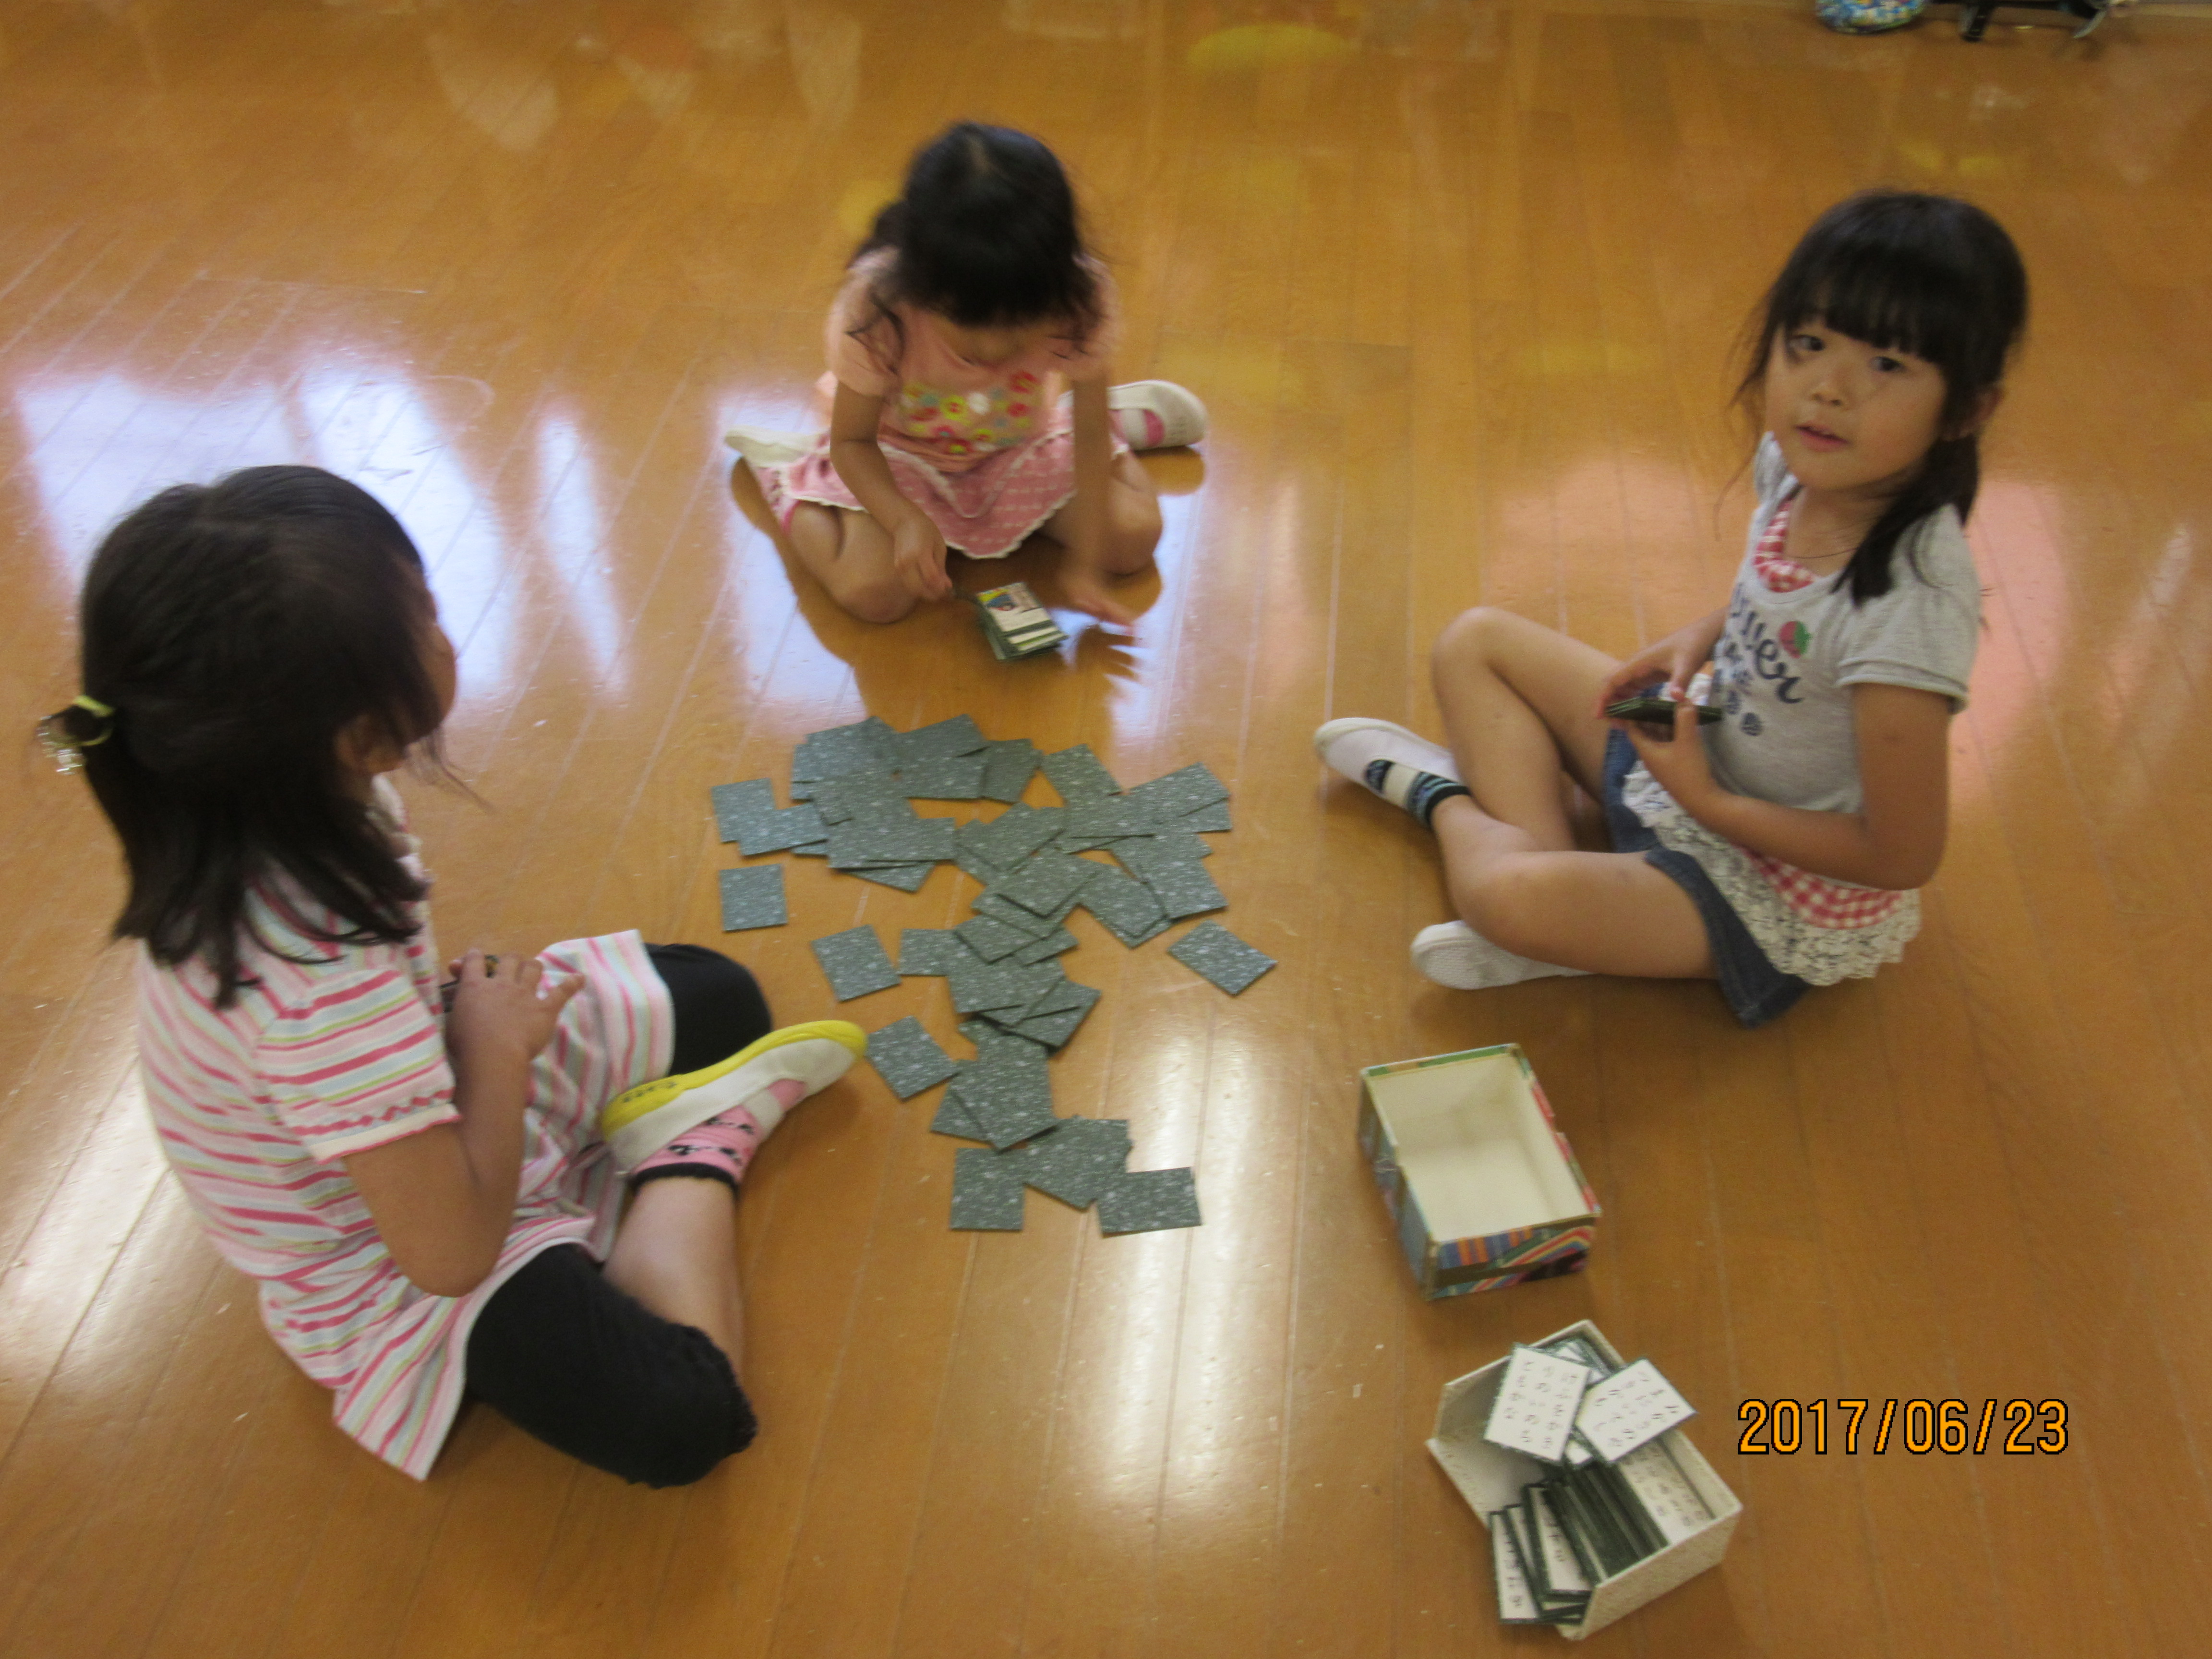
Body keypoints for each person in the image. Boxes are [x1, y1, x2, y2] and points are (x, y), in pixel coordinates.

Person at [38, 466, 866, 1485]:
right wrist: (493, 1048)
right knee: (685, 1417)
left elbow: (378, 1022)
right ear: (361, 735)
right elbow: (450, 1255)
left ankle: (628, 1136)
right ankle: (690, 1151)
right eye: (426, 616)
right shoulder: (315, 985)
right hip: (388, 1249)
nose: (446, 628)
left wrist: (468, 1034)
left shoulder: (261, 807)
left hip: (424, 1090)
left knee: (722, 998)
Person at [1315, 191, 2029, 1026]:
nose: (1828, 389)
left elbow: (1901, 855)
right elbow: (1785, 608)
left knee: (1507, 897)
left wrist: (1712, 806)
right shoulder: (1800, 463)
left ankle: (1445, 799)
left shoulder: (1910, 611)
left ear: (1967, 409)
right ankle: (1556, 908)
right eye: (1808, 343)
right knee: (1473, 643)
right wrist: (1695, 640)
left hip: (1772, 883)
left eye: (1887, 365)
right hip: (1696, 757)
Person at [727, 120, 1206, 627]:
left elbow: (1090, 434)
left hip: (1017, 443)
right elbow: (853, 443)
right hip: (900, 455)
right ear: (920, 287)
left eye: (1017, 334)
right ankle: (786, 479)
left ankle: (1104, 411)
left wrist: (1085, 565)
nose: (994, 355)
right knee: (872, 593)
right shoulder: (878, 309)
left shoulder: (1076, 296)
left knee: (1132, 539)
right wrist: (902, 519)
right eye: (968, 335)